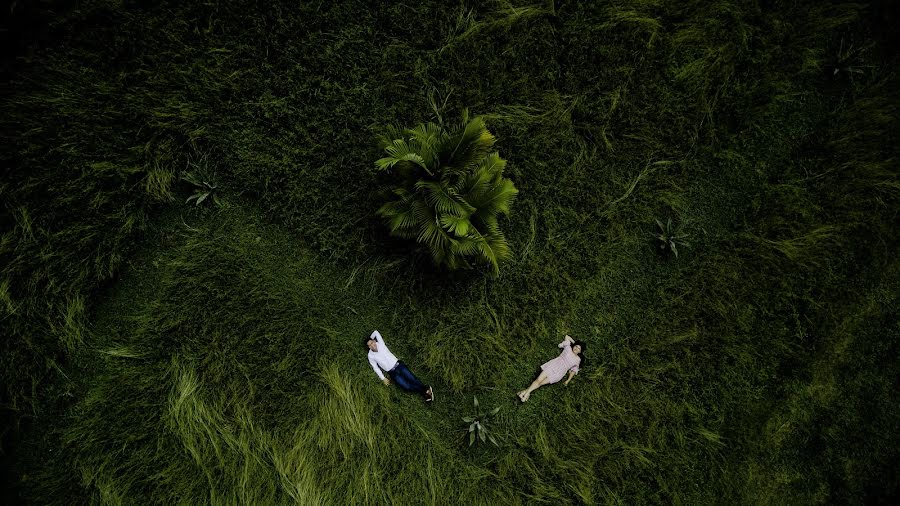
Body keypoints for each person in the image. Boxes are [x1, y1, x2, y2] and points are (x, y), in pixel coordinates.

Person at [366, 330, 434, 402]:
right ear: (368, 347)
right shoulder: (370, 356)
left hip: (399, 365)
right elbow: (375, 367)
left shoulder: (380, 343)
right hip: (392, 372)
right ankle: (426, 390)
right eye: (369, 345)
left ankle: (425, 392)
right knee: (406, 386)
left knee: (412, 379)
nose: (372, 345)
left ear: (374, 341)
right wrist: (383, 378)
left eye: (372, 343)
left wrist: (370, 338)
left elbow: (376, 332)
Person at [516, 335, 585, 402]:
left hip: (560, 372)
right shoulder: (568, 347)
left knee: (541, 383)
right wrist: (574, 343)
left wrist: (568, 380)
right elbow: (567, 337)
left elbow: (573, 371)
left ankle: (524, 393)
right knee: (538, 379)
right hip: (553, 365)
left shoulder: (578, 360)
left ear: (580, 351)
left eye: (579, 348)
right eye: (576, 346)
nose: (576, 348)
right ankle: (526, 394)